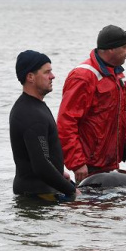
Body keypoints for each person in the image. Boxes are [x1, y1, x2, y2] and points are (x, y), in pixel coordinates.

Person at [57, 25, 126, 183]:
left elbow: (120, 117)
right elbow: (66, 122)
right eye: (125, 47)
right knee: (90, 207)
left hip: (111, 163)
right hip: (89, 166)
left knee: (112, 205)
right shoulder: (83, 76)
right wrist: (77, 163)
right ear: (110, 50)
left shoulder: (117, 74)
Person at [10, 50, 80, 201]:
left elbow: (41, 156)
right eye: (47, 72)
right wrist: (72, 191)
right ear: (30, 77)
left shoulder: (32, 106)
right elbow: (41, 165)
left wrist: (59, 173)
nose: (52, 76)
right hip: (38, 196)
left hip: (41, 190)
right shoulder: (31, 114)